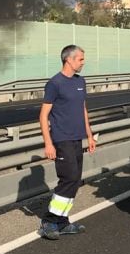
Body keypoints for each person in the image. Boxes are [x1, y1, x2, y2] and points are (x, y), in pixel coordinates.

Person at [37, 45, 96, 240]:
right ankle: (49, 221)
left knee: (75, 180)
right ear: (68, 60)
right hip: (61, 139)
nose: (83, 62)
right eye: (80, 59)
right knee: (69, 178)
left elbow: (83, 109)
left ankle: (62, 222)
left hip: (77, 137)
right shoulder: (55, 83)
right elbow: (43, 115)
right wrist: (48, 143)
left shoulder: (81, 81)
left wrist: (89, 135)